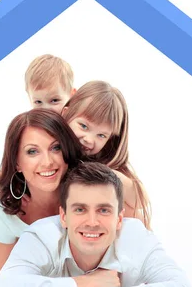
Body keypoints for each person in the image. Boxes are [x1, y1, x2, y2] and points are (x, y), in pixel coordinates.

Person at [0, 161, 192, 287]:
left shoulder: (136, 238)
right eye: (80, 209)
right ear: (63, 217)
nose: (92, 222)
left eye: (104, 210)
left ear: (119, 219)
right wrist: (87, 284)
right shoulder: (41, 237)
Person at [0, 108, 83, 282]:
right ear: (17, 163)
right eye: (32, 151)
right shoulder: (4, 214)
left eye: (56, 147)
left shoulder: (90, 195)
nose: (47, 162)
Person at [61, 80, 152, 229]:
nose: (89, 140)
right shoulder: (50, 148)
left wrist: (105, 174)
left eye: (101, 135)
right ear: (66, 113)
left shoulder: (102, 164)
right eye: (83, 126)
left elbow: (141, 200)